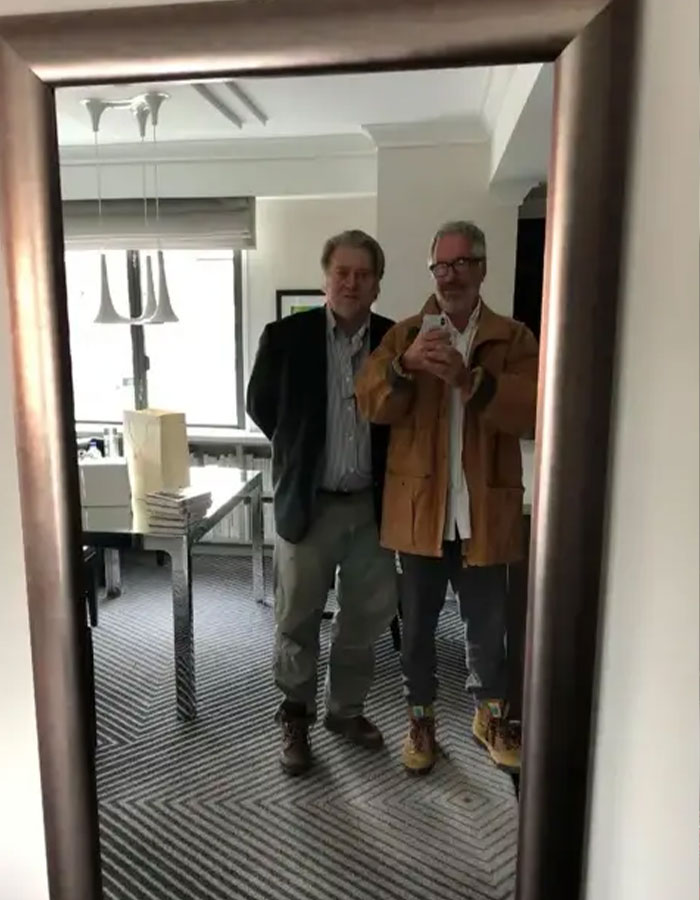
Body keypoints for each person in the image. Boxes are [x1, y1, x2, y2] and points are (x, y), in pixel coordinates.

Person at [355, 220, 538, 775]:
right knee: (417, 632)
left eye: (461, 264)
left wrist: (470, 379)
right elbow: (371, 404)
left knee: (489, 632)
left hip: (482, 513)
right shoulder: (405, 335)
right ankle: (421, 721)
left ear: (482, 268)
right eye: (441, 265)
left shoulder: (514, 338)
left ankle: (491, 717)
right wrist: (404, 367)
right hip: (419, 518)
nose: (449, 275)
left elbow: (532, 411)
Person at [246, 229, 398, 777]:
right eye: (343, 272)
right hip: (306, 506)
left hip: (373, 509)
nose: (352, 283)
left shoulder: (394, 341)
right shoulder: (285, 336)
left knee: (364, 619)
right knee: (296, 618)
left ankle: (344, 712)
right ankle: (295, 716)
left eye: (363, 274)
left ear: (378, 284)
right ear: (325, 278)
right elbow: (261, 407)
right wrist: (302, 453)